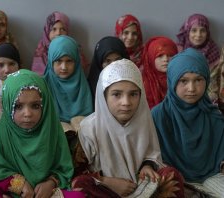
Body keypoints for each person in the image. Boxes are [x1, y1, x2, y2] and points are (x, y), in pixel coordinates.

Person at [72, 59, 184, 197]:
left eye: (133, 94)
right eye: (116, 94)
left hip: (138, 184)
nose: (126, 102)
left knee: (171, 176)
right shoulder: (89, 128)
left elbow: (151, 153)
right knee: (80, 185)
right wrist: (107, 181)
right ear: (103, 95)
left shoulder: (144, 120)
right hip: (106, 189)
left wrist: (147, 166)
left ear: (140, 95)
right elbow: (77, 173)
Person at [0, 69, 84, 198]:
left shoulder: (51, 130)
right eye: (18, 106)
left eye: (35, 106)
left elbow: (63, 168)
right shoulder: (2, 133)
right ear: (7, 105)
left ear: (45, 106)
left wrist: (51, 182)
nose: (28, 114)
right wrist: (19, 183)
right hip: (10, 192)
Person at [152, 48, 224, 196]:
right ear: (172, 81)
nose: (191, 88)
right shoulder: (158, 116)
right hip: (175, 180)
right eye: (183, 81)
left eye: (198, 80)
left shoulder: (214, 115)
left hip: (213, 177)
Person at [43, 35, 92, 123]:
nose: (64, 67)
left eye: (69, 61)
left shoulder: (83, 86)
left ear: (76, 62)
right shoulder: (43, 87)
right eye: (58, 61)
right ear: (51, 62)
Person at [176, 13, 221, 103]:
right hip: (182, 99)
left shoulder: (214, 53)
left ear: (207, 33)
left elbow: (215, 84)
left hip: (208, 100)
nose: (198, 35)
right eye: (194, 30)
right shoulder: (178, 52)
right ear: (188, 31)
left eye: (202, 31)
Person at [32, 11, 89, 76]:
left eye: (62, 29)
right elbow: (38, 77)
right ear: (47, 31)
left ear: (67, 31)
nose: (58, 33)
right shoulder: (41, 51)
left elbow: (79, 72)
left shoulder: (73, 48)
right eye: (54, 29)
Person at [87, 36, 129, 103]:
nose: (113, 66)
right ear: (99, 63)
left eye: (118, 60)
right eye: (108, 61)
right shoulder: (90, 88)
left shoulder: (132, 83)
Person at [141, 36, 178, 109]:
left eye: (170, 55)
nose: (166, 59)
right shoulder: (142, 83)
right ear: (151, 58)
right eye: (160, 55)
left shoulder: (181, 79)